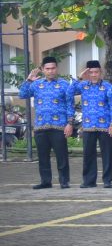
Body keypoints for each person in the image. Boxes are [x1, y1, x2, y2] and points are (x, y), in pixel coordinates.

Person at [19, 56, 74, 190]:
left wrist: (70, 123)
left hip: (59, 126)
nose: (50, 71)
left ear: (57, 69)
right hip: (40, 126)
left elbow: (70, 104)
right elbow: (22, 94)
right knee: (43, 156)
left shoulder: (64, 84)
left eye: (53, 68)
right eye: (47, 69)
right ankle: (45, 181)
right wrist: (28, 81)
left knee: (61, 155)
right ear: (43, 70)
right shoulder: (36, 84)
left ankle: (64, 181)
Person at [71, 60, 112, 188]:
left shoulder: (107, 86)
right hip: (88, 125)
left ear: (100, 72)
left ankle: (107, 180)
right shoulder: (83, 85)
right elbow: (69, 92)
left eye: (96, 72)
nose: (94, 75)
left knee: (107, 153)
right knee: (88, 154)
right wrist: (79, 77)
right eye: (90, 72)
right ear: (87, 73)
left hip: (105, 126)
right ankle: (89, 181)